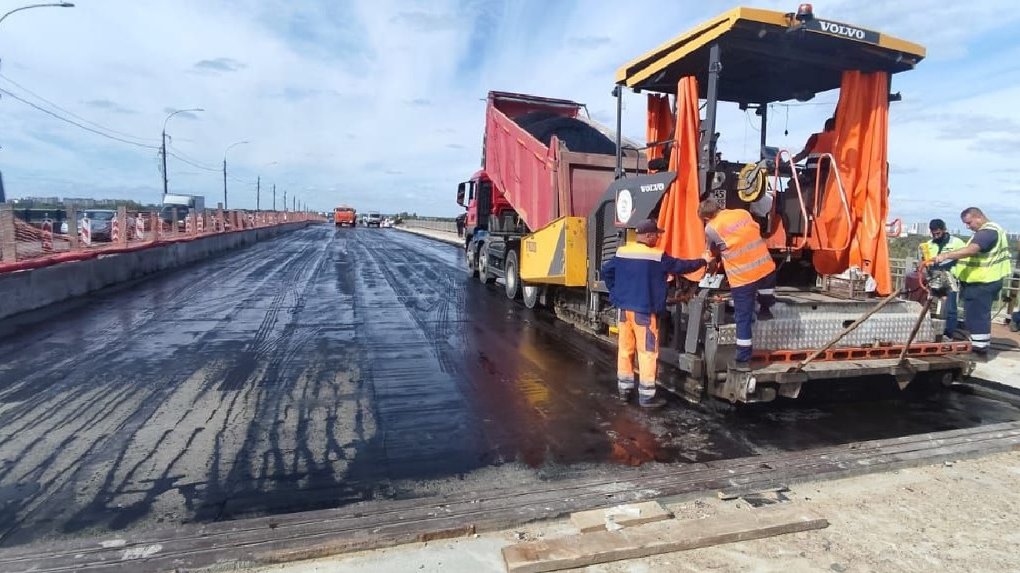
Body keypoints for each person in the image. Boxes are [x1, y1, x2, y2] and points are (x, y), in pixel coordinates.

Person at [600, 219, 707, 408]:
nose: (658, 237)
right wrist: (703, 261)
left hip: (624, 311)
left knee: (625, 349)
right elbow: (681, 266)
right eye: (657, 234)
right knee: (647, 352)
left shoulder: (623, 251)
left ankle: (624, 390)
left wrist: (615, 292)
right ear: (649, 236)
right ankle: (647, 397)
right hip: (644, 312)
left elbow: (606, 271)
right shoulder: (657, 256)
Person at [699, 200, 777, 370]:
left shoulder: (711, 228)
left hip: (743, 278)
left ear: (706, 218)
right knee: (766, 289)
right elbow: (753, 231)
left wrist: (708, 259)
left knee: (743, 318)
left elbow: (713, 250)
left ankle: (743, 359)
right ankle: (766, 308)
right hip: (765, 268)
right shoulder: (742, 213)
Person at [933, 207, 1013, 356]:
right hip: (981, 281)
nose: (967, 226)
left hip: (983, 282)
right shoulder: (987, 231)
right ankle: (978, 344)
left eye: (969, 223)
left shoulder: (988, 232)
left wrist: (946, 255)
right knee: (974, 315)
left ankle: (979, 349)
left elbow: (972, 250)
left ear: (979, 217)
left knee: (977, 316)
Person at [919, 218, 966, 337]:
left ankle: (949, 333)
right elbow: (924, 260)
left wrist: (957, 273)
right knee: (932, 306)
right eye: (933, 233)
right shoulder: (929, 245)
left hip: (950, 278)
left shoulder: (957, 243)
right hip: (934, 278)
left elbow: (964, 258)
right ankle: (931, 331)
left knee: (950, 308)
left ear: (944, 230)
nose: (936, 236)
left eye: (938, 233)